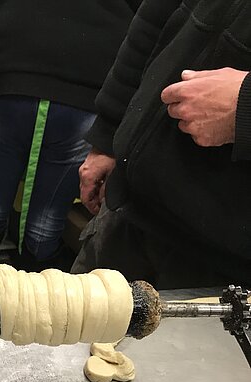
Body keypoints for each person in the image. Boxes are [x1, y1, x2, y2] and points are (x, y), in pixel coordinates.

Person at [74, 0, 251, 289]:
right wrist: (108, 135)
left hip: (224, 266)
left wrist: (244, 106)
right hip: (127, 214)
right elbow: (151, 22)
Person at [0, 0, 141, 273]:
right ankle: (35, 312)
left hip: (9, 75)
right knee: (45, 222)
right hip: (83, 86)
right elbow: (147, 16)